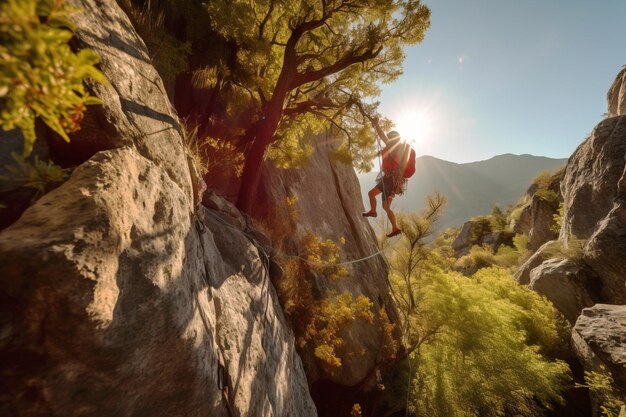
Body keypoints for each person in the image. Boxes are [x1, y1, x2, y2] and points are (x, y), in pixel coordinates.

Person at [362, 117, 408, 238]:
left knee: (372, 194)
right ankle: (395, 227)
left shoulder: (393, 147)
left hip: (389, 180)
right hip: (395, 182)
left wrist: (377, 124)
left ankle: (374, 212)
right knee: (385, 206)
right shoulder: (399, 150)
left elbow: (382, 136)